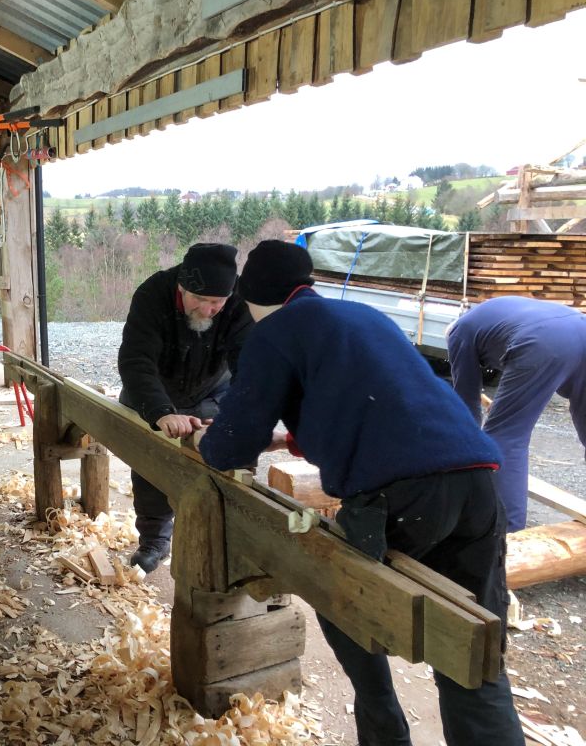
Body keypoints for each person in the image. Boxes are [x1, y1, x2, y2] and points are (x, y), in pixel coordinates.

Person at [196, 240, 522, 746]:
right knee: (471, 646)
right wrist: (287, 440)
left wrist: (206, 440)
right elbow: (382, 404)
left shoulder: (275, 331)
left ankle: (384, 731)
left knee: (339, 595)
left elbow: (230, 445)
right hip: (477, 480)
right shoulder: (361, 316)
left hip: (404, 494)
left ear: (251, 298)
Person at [117, 242, 251, 573]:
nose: (208, 309)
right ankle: (154, 540)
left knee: (227, 460)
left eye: (216, 302)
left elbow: (250, 365)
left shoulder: (240, 300)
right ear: (181, 286)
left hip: (213, 389)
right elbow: (136, 360)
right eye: (199, 299)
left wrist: (240, 416)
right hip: (157, 388)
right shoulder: (153, 294)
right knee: (152, 463)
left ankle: (229, 543)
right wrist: (161, 411)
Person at [447, 295, 586, 532]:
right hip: (579, 328)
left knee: (506, 436)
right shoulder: (493, 315)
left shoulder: (458, 334)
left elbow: (466, 402)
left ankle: (509, 531)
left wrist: (469, 450)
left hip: (543, 341)